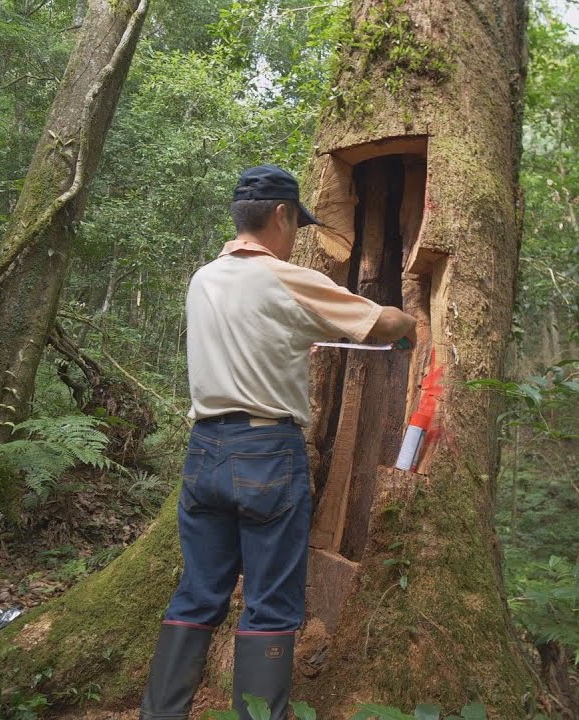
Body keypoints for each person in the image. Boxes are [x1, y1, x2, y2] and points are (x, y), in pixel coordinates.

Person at [140, 165, 416, 720]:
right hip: (266, 455)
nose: (297, 238)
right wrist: (414, 318)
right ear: (282, 215)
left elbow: (252, 335)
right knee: (270, 604)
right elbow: (381, 326)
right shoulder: (286, 278)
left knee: (198, 594)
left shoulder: (203, 279)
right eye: (297, 225)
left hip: (204, 455)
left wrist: (291, 343)